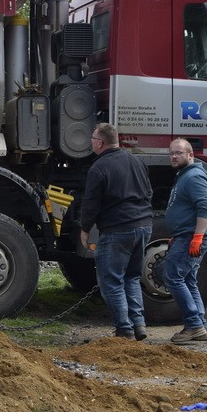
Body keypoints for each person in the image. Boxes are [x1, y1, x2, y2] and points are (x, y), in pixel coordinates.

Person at [80, 123, 153, 340]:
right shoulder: (137, 161)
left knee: (112, 280)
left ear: (100, 142)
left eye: (92, 138)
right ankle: (139, 324)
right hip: (143, 226)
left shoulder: (99, 167)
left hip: (117, 230)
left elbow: (91, 203)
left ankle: (124, 329)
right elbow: (148, 192)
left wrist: (84, 229)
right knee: (131, 277)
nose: (91, 142)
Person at [164, 138, 207, 343]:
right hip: (183, 236)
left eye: (178, 153)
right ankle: (200, 325)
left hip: (191, 237)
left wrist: (197, 236)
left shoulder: (194, 176)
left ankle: (194, 325)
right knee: (188, 280)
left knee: (172, 278)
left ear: (190, 155)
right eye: (171, 153)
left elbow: (206, 207)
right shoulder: (184, 175)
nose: (174, 156)